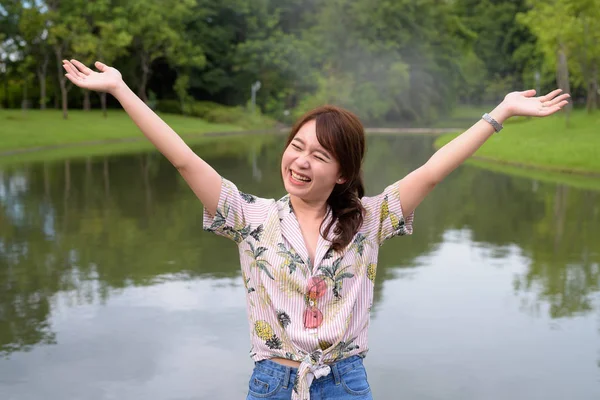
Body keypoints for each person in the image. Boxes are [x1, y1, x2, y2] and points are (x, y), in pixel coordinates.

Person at [62, 59, 570, 400]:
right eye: (296, 146)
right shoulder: (249, 216)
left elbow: (434, 170)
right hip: (272, 380)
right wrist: (119, 88)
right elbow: (182, 159)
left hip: (345, 381)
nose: (301, 161)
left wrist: (500, 112)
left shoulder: (369, 221)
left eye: (319, 155)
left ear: (342, 172)